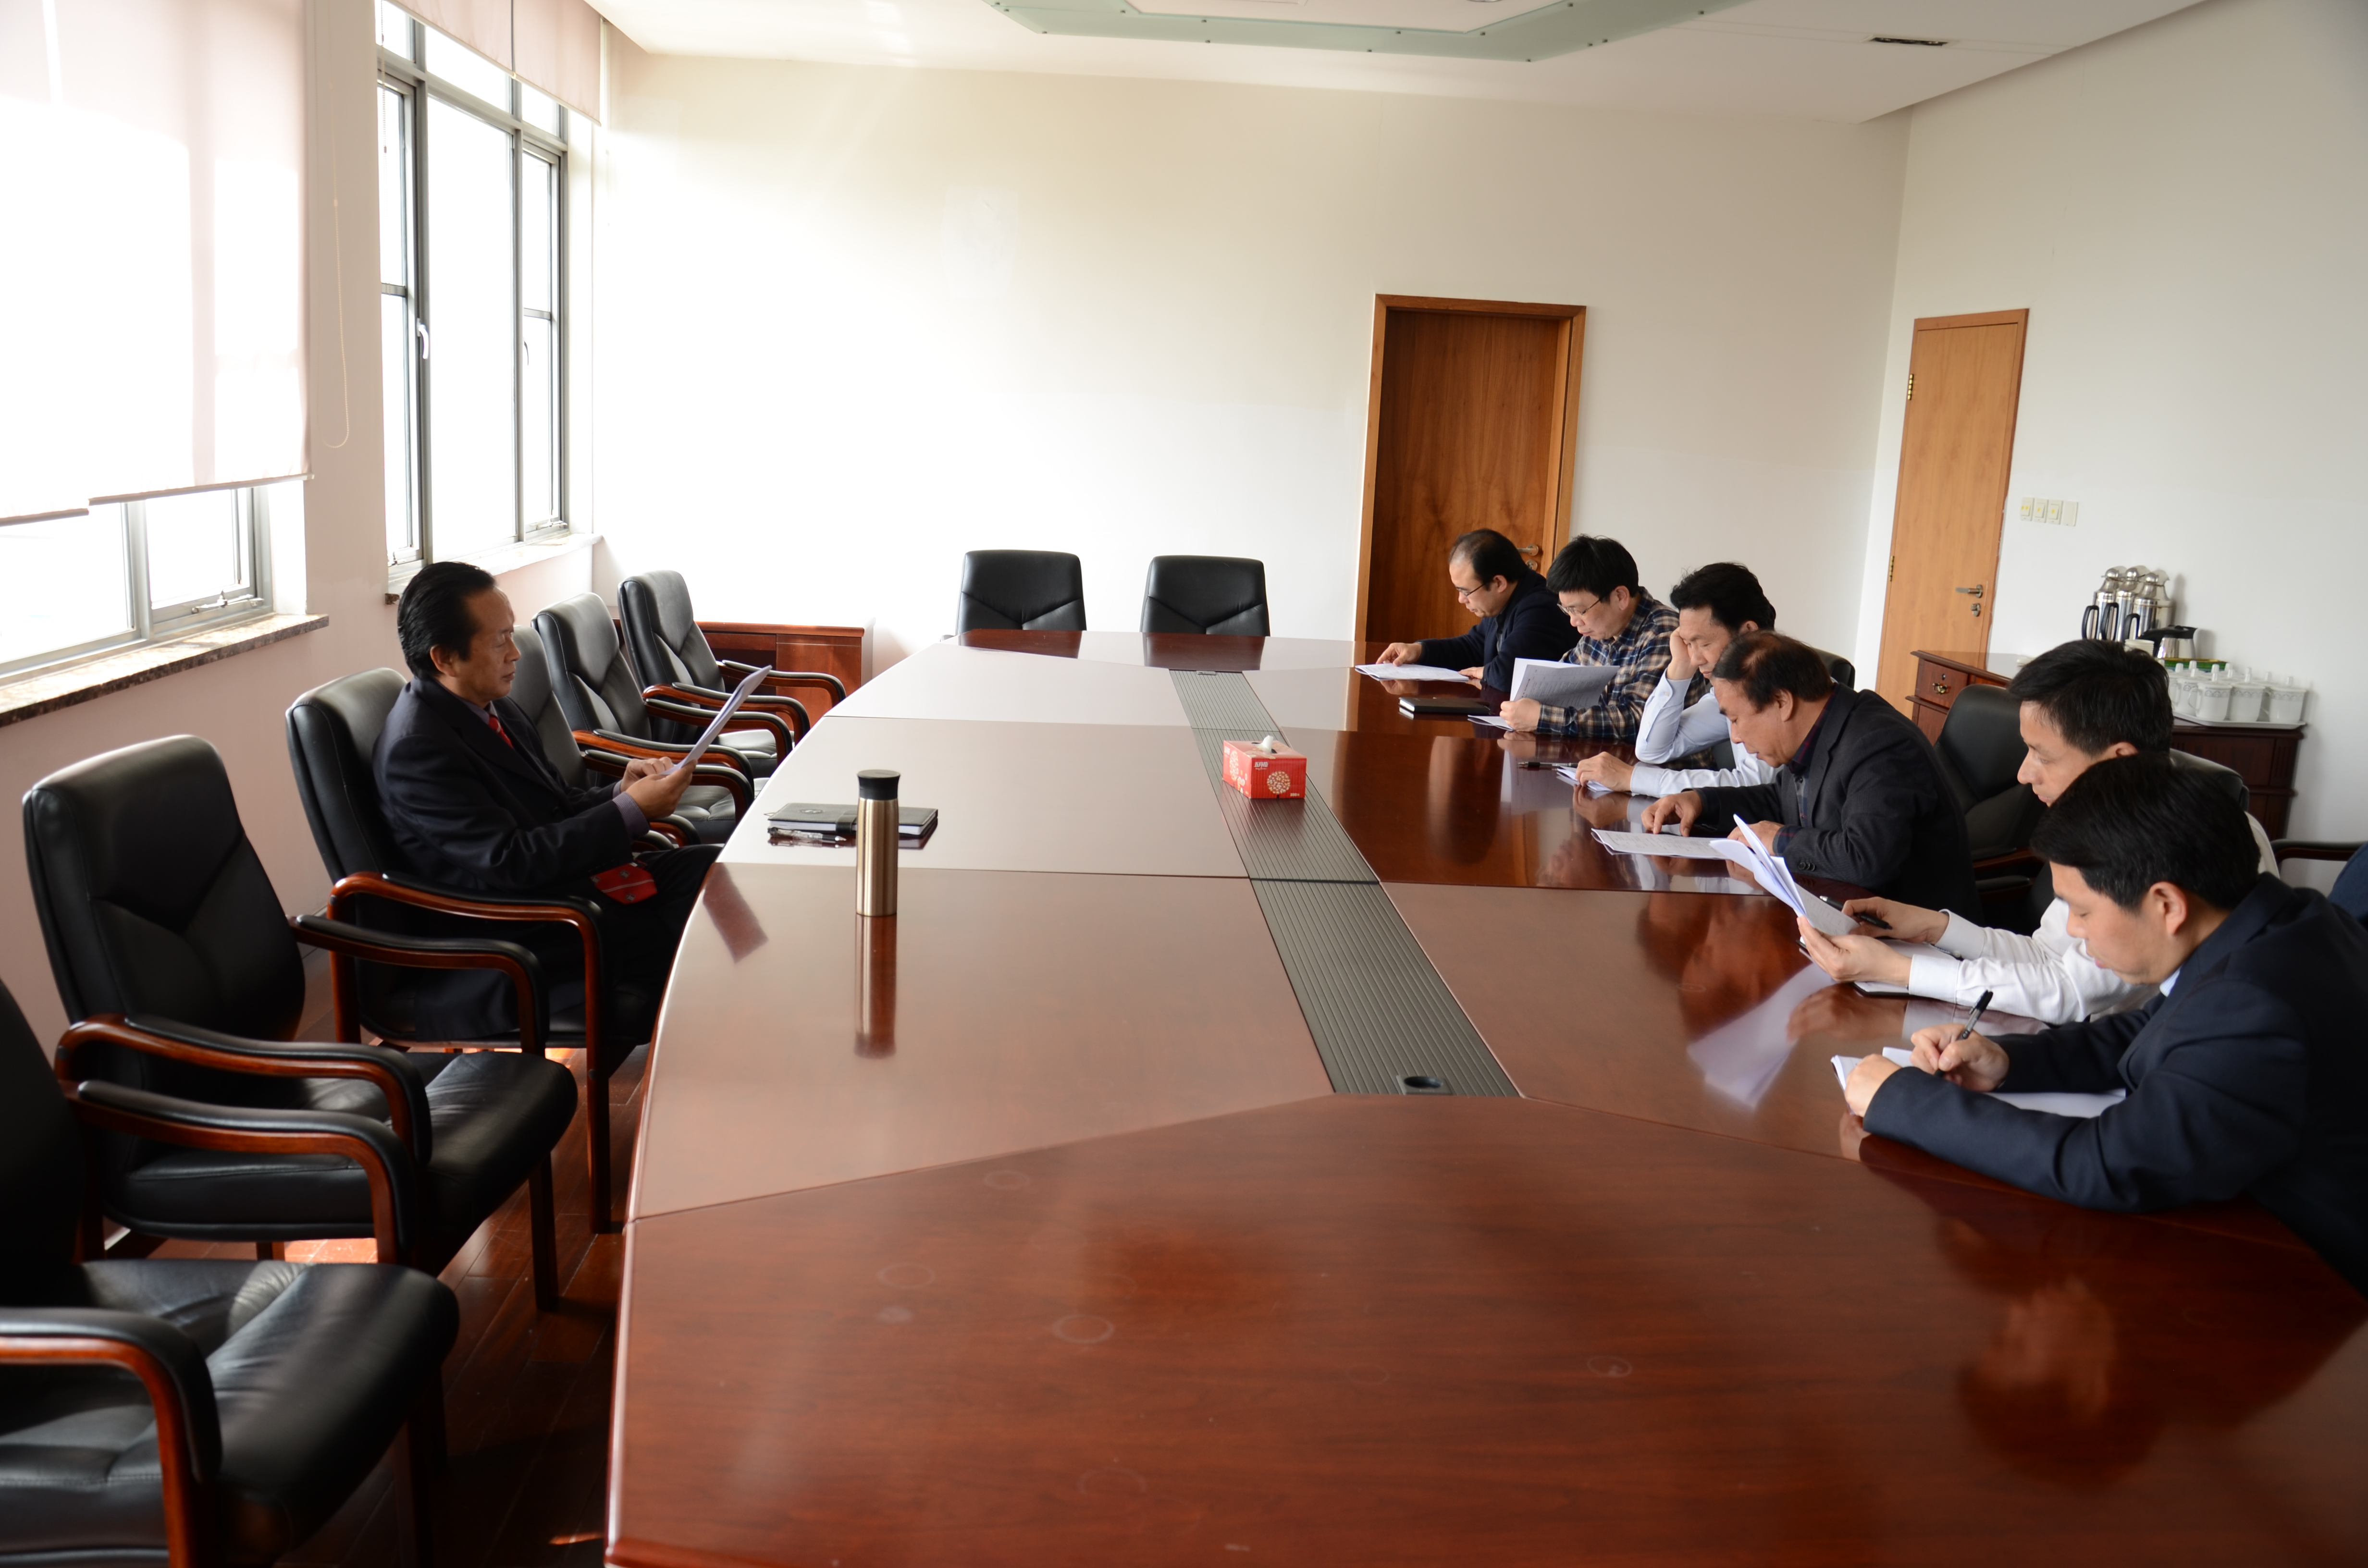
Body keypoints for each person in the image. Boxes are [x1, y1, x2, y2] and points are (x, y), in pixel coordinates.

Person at [1843, 754, 2368, 1296]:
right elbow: (2149, 1032)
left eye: (2083, 911)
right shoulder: (2280, 921)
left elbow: (2105, 1164)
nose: (2074, 931)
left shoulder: (2255, 1004)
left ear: (2166, 904)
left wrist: (1903, 1100)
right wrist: (2006, 1061)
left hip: (2309, 1281)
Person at [1799, 640, 2279, 1023]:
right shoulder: (2105, 823)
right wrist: (1934, 928)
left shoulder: (2183, 839)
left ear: (2118, 761)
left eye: (2042, 755)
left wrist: (1898, 970)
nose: (2024, 774)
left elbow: (2070, 993)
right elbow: (2050, 957)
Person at [375, 562, 717, 1041]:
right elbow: (510, 861)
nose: (516, 653)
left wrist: (621, 792)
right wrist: (632, 812)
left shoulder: (493, 707)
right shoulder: (419, 748)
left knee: (713, 871)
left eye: (511, 633)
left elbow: (556, 803)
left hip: (561, 892)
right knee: (699, 940)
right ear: (446, 658)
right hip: (515, 931)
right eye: (499, 641)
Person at [1642, 630, 1980, 920]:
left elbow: (1866, 858)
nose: (1736, 737)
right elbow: (1780, 800)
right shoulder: (1820, 728)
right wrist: (1701, 801)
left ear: (1782, 702)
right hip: (1838, 917)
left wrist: (1779, 840)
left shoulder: (1879, 744)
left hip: (1916, 946)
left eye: (1736, 719)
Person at [1569, 560, 1777, 795]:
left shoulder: (1774, 689)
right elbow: (1652, 750)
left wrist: (1633, 778)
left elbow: (1754, 785)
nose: (1695, 658)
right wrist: (1680, 666)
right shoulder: (1732, 689)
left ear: (1748, 632)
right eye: (1688, 643)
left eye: (1704, 644)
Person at [1498, 535, 1677, 741]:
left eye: (1580, 611)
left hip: (1649, 761)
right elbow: (1558, 682)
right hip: (1598, 754)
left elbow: (1640, 720)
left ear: (1620, 597)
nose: (1574, 622)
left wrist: (1542, 717)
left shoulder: (1663, 633)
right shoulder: (1599, 629)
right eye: (1568, 610)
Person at [1373, 528, 1576, 691]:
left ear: (1499, 583)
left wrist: (1485, 672)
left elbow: (1507, 675)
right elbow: (1473, 647)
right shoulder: (1506, 601)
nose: (1461, 600)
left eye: (1466, 591)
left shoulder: (1540, 609)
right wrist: (1419, 651)